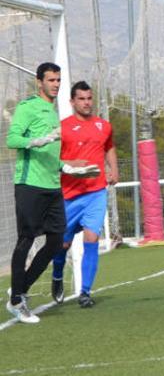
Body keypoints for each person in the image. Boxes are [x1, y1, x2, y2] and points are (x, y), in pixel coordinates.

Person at [6, 63, 97, 324]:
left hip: (52, 186)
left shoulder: (52, 110)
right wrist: (38, 140)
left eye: (58, 80)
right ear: (39, 82)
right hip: (29, 185)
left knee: (57, 241)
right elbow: (12, 139)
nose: (56, 84)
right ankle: (16, 301)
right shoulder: (28, 107)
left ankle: (18, 287)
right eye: (51, 80)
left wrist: (66, 167)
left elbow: (50, 155)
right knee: (26, 239)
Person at [50, 81, 118, 308]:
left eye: (89, 98)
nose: (87, 103)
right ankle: (57, 275)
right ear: (72, 102)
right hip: (69, 194)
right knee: (63, 245)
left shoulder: (103, 125)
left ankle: (85, 292)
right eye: (81, 99)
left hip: (95, 192)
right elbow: (53, 158)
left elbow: (109, 146)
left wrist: (114, 169)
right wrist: (68, 165)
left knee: (92, 238)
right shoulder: (62, 128)